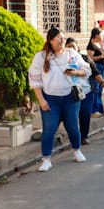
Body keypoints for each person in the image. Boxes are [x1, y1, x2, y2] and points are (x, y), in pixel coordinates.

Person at [28, 28, 90, 172]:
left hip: (70, 98)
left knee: (73, 126)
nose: (62, 41)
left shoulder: (72, 54)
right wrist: (41, 100)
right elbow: (35, 80)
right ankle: (46, 159)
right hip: (50, 99)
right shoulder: (41, 57)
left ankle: (77, 150)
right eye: (58, 38)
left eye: (63, 38)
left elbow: (87, 70)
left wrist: (76, 72)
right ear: (50, 40)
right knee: (49, 129)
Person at [67, 37, 104, 146]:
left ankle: (83, 137)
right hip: (70, 93)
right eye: (68, 47)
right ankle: (75, 137)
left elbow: (95, 72)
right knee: (72, 116)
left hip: (86, 92)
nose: (71, 49)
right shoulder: (63, 61)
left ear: (78, 48)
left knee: (85, 115)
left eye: (73, 47)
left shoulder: (85, 59)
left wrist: (103, 83)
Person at [86, 27, 104, 117]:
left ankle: (100, 109)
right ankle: (94, 111)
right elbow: (91, 59)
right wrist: (101, 57)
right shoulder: (91, 46)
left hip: (102, 69)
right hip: (97, 69)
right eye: (100, 35)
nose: (102, 36)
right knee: (96, 89)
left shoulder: (98, 45)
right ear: (96, 35)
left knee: (100, 90)